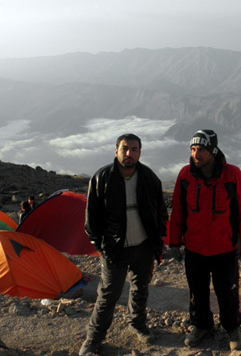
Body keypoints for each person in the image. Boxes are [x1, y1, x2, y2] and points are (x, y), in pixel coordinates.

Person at [80, 133, 168, 355]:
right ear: (116, 150)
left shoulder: (149, 178)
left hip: (144, 246)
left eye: (134, 149)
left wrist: (157, 241)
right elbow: (92, 219)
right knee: (109, 293)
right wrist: (102, 247)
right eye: (125, 148)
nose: (129, 153)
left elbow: (160, 214)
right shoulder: (101, 178)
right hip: (114, 248)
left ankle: (137, 324)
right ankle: (93, 338)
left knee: (140, 288)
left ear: (140, 152)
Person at [168, 129, 241, 351]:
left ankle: (232, 327)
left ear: (213, 151)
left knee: (227, 292)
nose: (196, 154)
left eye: (202, 150)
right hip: (194, 249)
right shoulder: (185, 175)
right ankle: (201, 326)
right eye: (193, 149)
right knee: (197, 292)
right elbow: (177, 211)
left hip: (224, 250)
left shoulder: (232, 175)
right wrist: (174, 242)